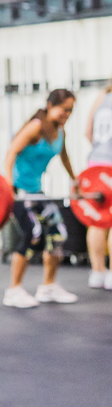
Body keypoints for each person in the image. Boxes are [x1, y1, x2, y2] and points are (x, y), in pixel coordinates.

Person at [2, 89, 78, 307]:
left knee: (58, 233)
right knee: (33, 233)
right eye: (64, 109)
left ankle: (48, 287)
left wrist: (75, 181)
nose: (67, 114)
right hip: (19, 191)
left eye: (70, 111)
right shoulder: (36, 127)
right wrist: (7, 183)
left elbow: (64, 157)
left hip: (36, 190)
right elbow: (11, 152)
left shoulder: (60, 131)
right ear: (50, 105)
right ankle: (13, 290)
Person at [83, 78, 112, 289]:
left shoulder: (102, 96)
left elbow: (87, 132)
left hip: (95, 166)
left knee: (97, 219)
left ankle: (97, 272)